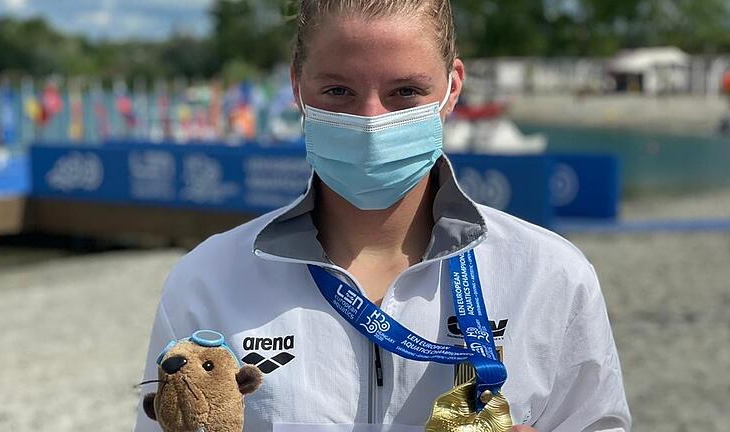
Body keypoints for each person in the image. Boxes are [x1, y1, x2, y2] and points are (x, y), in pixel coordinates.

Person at [134, 1, 630, 431]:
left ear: (452, 88)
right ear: (298, 86)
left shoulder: (550, 276)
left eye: (406, 92)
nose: (372, 119)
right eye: (339, 92)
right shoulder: (207, 280)